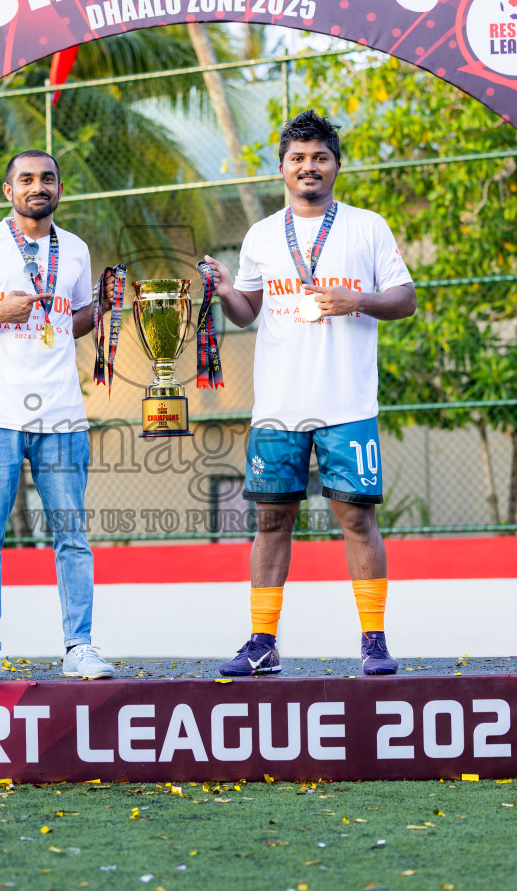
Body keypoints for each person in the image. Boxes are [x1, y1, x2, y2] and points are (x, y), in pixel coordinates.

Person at [204, 109, 416, 677]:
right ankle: (262, 642)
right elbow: (247, 311)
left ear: (336, 166)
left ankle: (374, 641)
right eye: (298, 158)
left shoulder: (367, 226)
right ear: (282, 168)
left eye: (320, 157)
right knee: (272, 523)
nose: (309, 167)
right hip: (277, 409)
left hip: (347, 405)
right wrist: (226, 291)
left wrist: (359, 301)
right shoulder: (260, 235)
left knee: (356, 520)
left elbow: (405, 298)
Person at [0, 150, 114, 684]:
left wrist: (102, 308)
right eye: (27, 179)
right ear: (8, 190)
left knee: (71, 535)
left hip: (62, 415)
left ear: (60, 188)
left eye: (48, 178)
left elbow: (68, 323)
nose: (39, 186)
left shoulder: (76, 250)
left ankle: (79, 646)